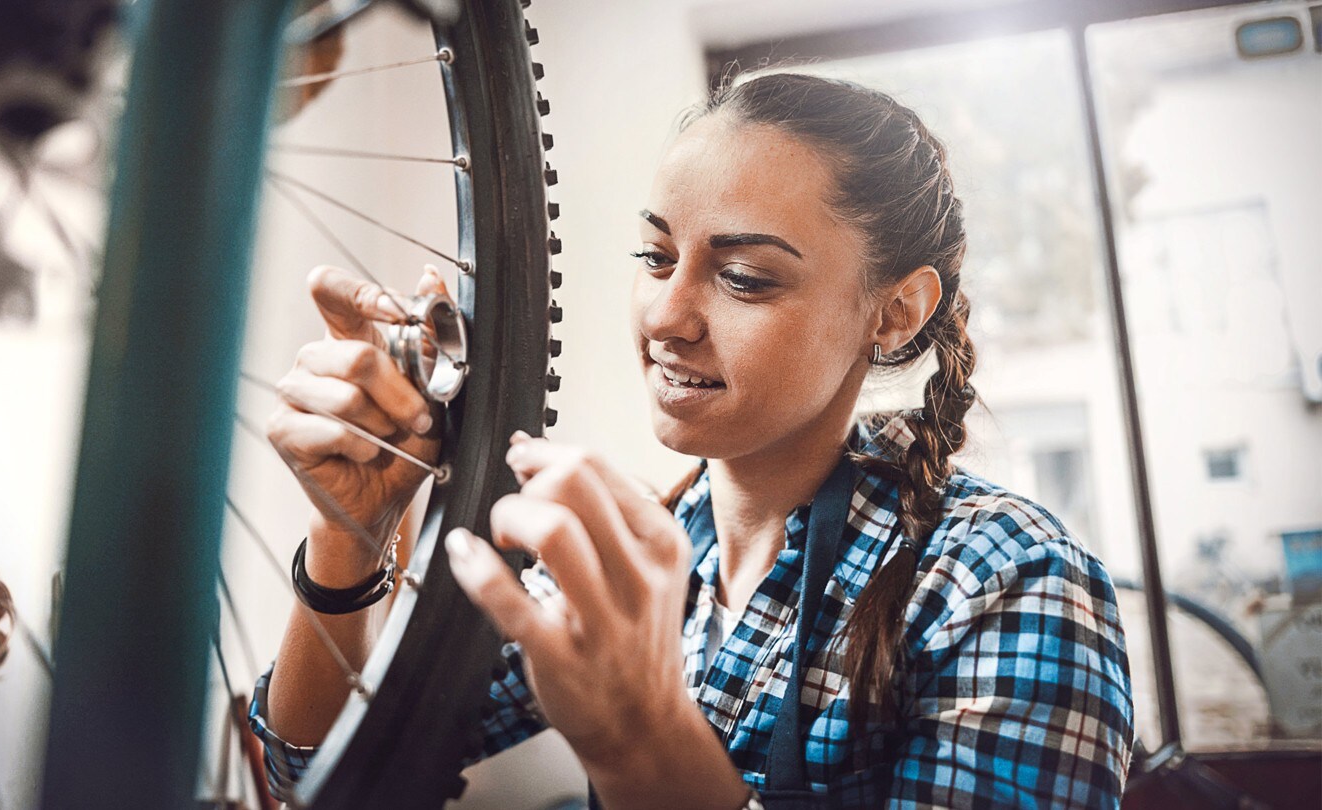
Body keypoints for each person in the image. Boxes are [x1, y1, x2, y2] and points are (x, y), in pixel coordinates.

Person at [249, 72, 1134, 808]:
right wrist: (349, 536)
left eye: (745, 279)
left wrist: (644, 742)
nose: (667, 318)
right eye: (654, 258)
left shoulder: (1005, 579)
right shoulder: (634, 557)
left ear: (896, 313)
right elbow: (319, 774)